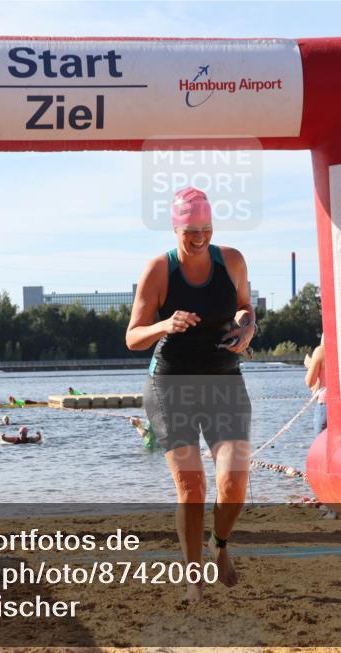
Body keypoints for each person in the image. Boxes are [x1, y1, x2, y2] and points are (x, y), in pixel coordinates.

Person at [125, 186, 255, 604]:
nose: (199, 237)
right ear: (176, 228)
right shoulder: (159, 270)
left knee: (234, 482)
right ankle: (193, 579)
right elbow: (133, 338)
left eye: (206, 228)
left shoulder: (231, 260)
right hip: (171, 385)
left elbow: (244, 307)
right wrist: (165, 325)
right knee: (192, 486)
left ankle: (220, 546)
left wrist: (247, 327)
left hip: (224, 380)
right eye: (190, 230)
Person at [303, 338, 327, 436]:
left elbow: (309, 382)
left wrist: (311, 365)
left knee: (321, 444)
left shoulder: (321, 351)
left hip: (326, 403)